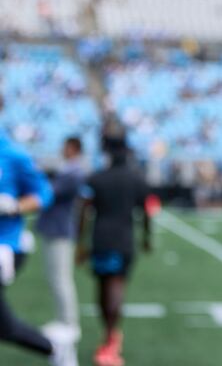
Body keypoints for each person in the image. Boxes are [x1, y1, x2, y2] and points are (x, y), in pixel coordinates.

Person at [76, 119, 152, 366]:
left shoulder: (96, 178)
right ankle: (111, 338)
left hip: (101, 238)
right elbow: (147, 211)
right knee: (116, 285)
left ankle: (109, 338)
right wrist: (146, 239)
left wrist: (80, 244)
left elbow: (84, 212)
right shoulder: (136, 178)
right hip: (124, 239)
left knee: (103, 288)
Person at [0, 97, 64, 364]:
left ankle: (54, 349)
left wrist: (14, 205)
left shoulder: (12, 155)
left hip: (4, 246)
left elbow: (44, 193)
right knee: (3, 327)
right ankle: (52, 348)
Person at [35, 136, 87, 366]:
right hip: (56, 229)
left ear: (73, 148)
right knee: (57, 279)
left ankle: (68, 324)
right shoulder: (69, 170)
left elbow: (49, 193)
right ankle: (64, 322)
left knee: (61, 280)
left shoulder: (74, 172)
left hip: (60, 231)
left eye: (65, 146)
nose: (61, 149)